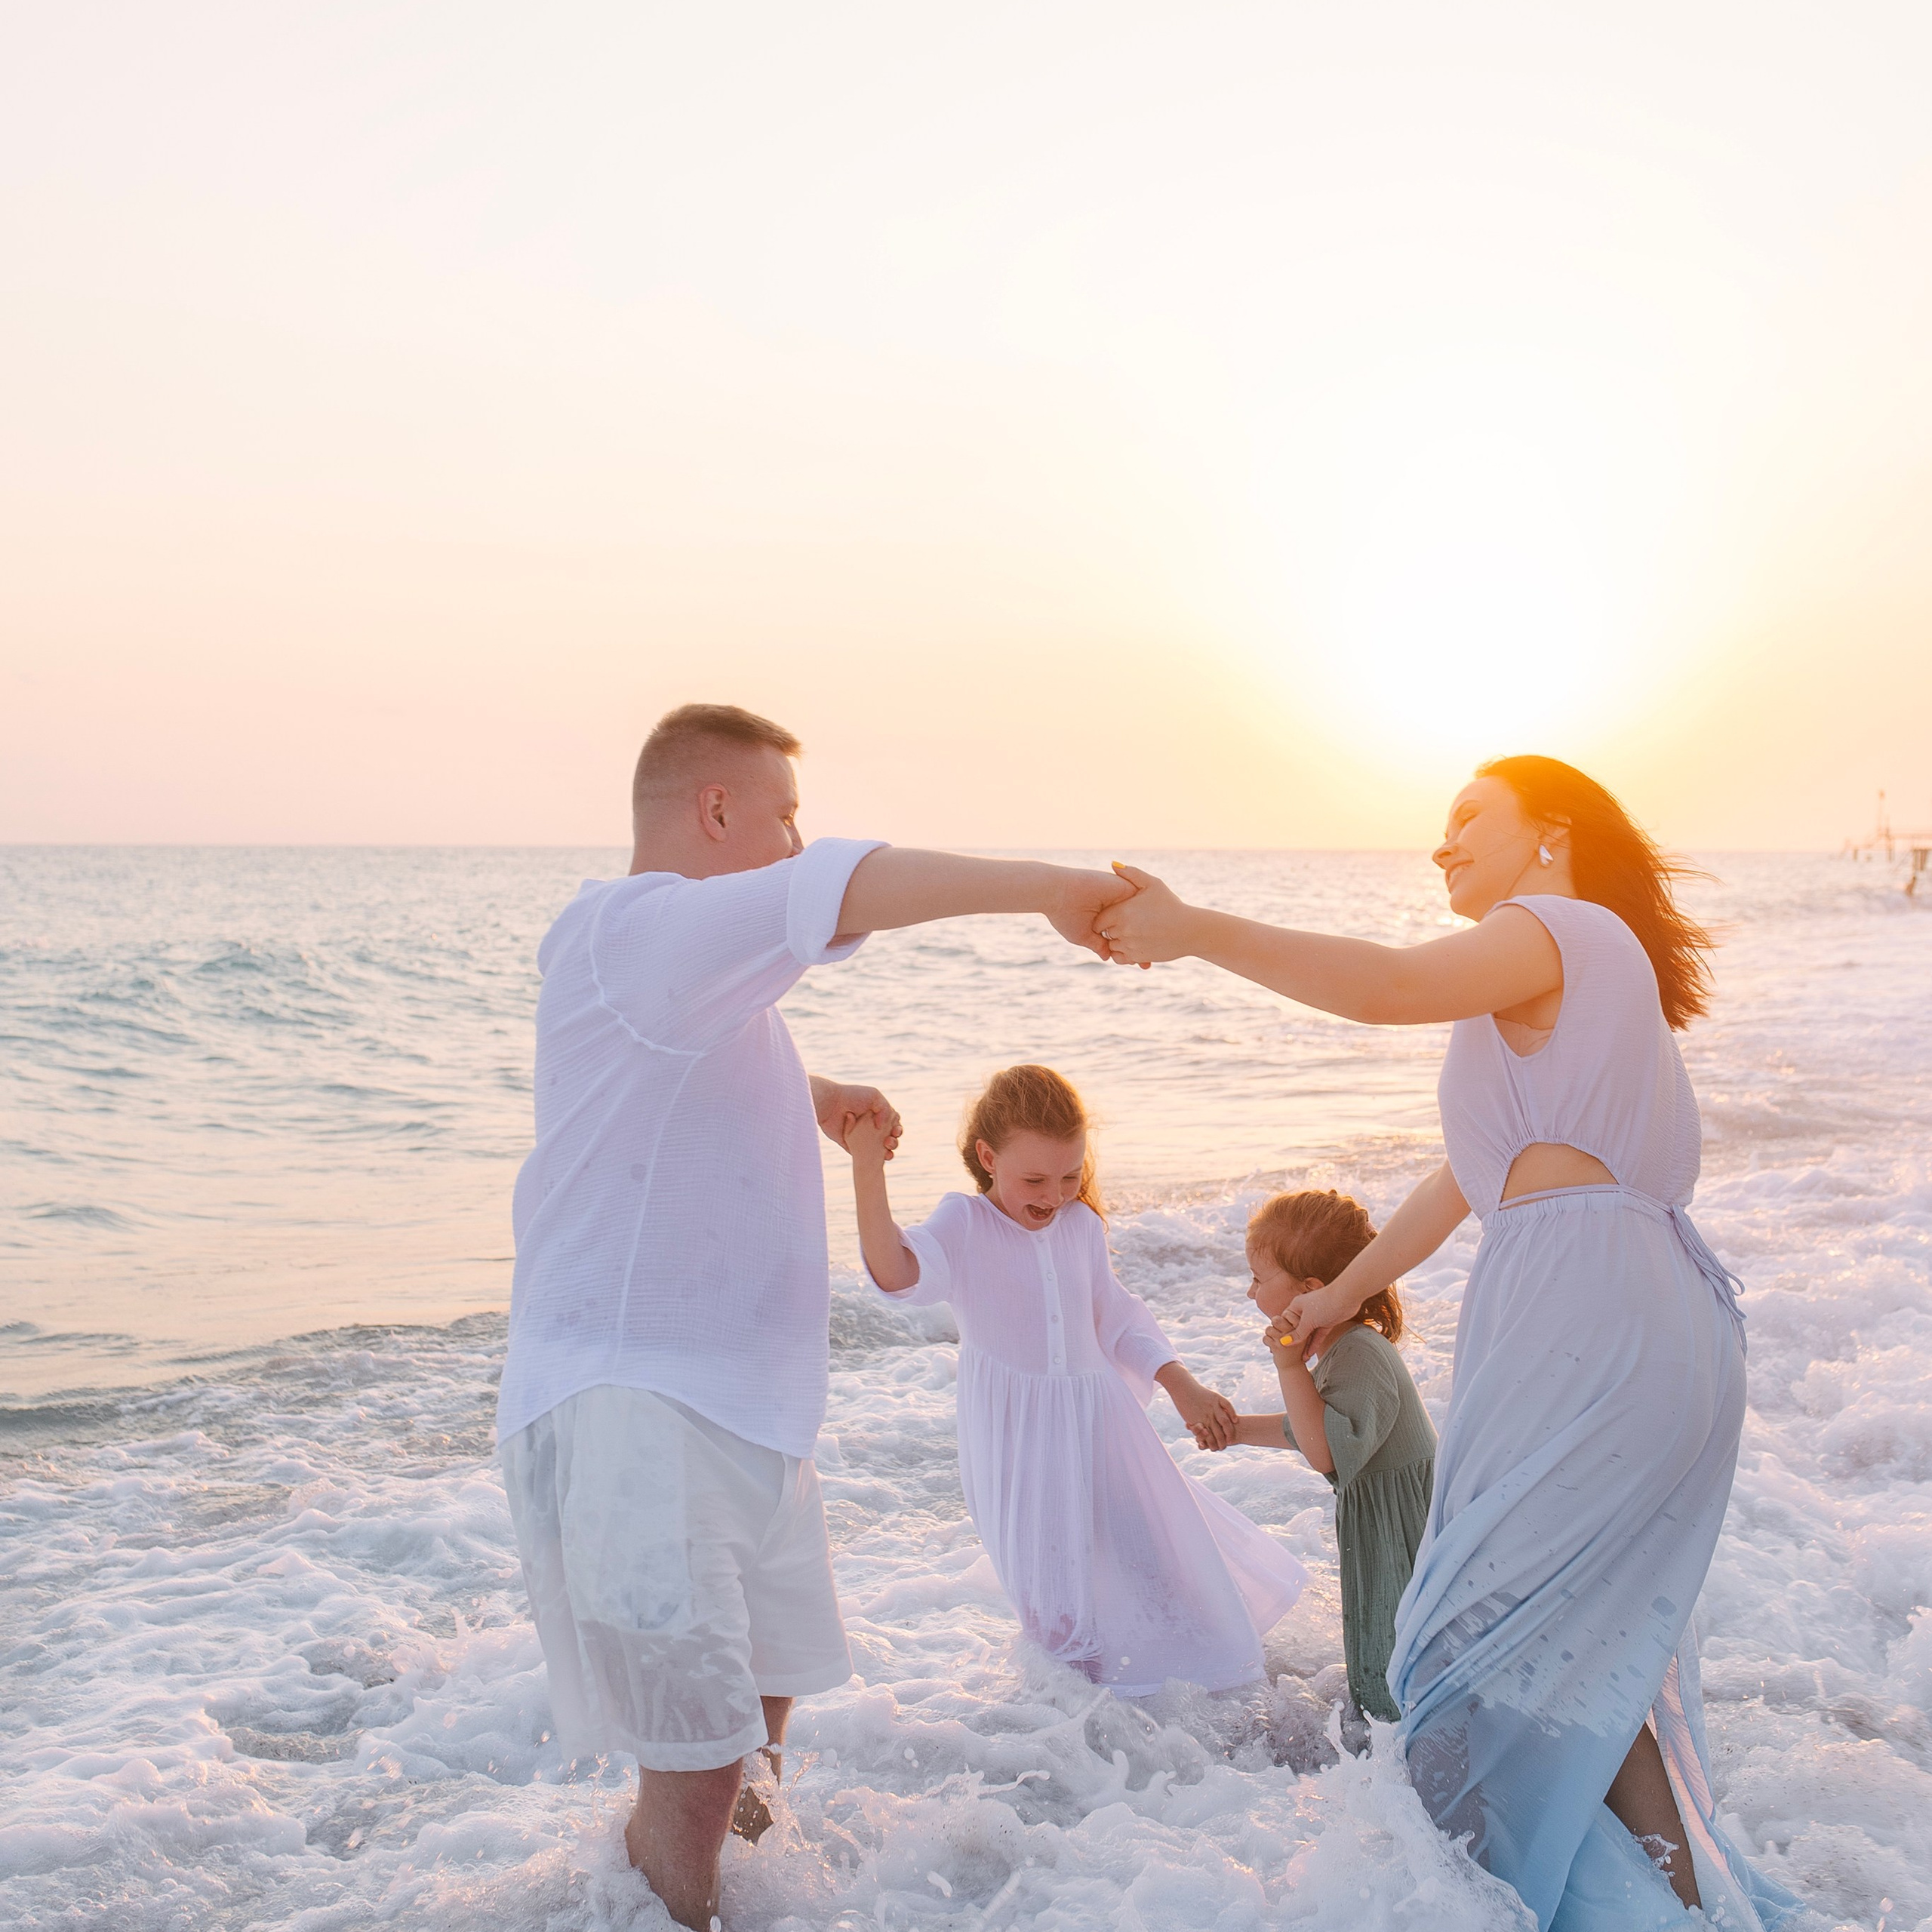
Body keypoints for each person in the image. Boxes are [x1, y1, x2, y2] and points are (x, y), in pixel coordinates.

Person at [1097, 756, 1800, 1931]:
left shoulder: (1562, 928)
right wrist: (1342, 1293)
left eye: (1471, 816)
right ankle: (1667, 1912)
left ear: (1552, 832)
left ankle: (1521, 1907)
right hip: (1594, 1314)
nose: (1444, 842)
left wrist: (1196, 928)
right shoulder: (1555, 981)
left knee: (1456, 1652)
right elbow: (1464, 1180)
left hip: (1596, 1321)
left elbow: (1384, 985)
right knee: (1559, 1651)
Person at [495, 703, 1138, 1932]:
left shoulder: (682, 980)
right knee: (700, 1769)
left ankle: (725, 1908)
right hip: (639, 1411)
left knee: (761, 1734)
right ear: (715, 810)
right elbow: (854, 882)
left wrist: (820, 1092)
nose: (797, 839)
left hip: (746, 1415)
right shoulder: (637, 928)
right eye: (783, 814)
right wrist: (1056, 890)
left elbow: (679, 1083)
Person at [846, 1063, 1308, 1696]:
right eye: (1035, 1179)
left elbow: (1118, 1319)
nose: (1055, 1195)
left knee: (1157, 1560)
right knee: (1054, 1599)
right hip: (1016, 1443)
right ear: (988, 1157)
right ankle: (1075, 1722)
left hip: (1102, 1426)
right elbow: (897, 1273)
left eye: (1069, 1176)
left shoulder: (1082, 1226)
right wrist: (867, 1167)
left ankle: (1195, 1701)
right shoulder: (964, 1223)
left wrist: (1182, 1385)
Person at [1223, 1189, 1435, 1737]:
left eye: (1258, 1279)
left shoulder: (1360, 1352)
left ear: (1310, 1290)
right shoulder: (1344, 1348)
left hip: (1403, 1536)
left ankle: (1401, 1752)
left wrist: (1289, 1365)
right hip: (1389, 1528)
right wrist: (1237, 1431)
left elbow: (1324, 1450)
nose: (1250, 1291)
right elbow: (1312, 1425)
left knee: (1400, 1672)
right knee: (1387, 1654)